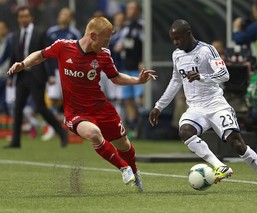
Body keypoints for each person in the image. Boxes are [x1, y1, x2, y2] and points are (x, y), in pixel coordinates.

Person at [7, 16, 156, 192]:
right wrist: (23, 64)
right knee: (93, 133)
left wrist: (137, 80)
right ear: (93, 36)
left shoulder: (103, 55)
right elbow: (40, 56)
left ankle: (135, 172)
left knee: (124, 145)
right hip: (76, 112)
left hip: (102, 109)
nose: (107, 45)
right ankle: (124, 168)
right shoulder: (63, 46)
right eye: (105, 40)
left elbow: (115, 78)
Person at [149, 19, 257, 192]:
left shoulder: (207, 50)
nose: (175, 42)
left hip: (216, 104)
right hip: (195, 108)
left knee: (237, 144)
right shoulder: (176, 54)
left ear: (188, 34)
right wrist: (158, 106)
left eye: (178, 38)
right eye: (173, 39)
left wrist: (202, 76)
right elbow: (175, 81)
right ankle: (219, 166)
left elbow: (224, 75)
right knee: (185, 131)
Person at [4, 6, 68, 148]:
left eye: (26, 16)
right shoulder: (15, 36)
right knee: (17, 108)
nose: (24, 19)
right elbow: (14, 57)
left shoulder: (40, 33)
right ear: (18, 19)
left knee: (41, 107)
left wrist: (51, 75)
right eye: (21, 17)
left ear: (31, 18)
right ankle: (16, 141)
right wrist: (10, 77)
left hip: (37, 76)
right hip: (21, 77)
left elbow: (49, 55)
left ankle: (61, 133)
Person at [42, 7, 82, 141]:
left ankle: (73, 128)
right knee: (52, 100)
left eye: (66, 14)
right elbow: (45, 54)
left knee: (70, 101)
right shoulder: (51, 32)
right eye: (61, 13)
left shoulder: (75, 34)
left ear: (71, 18)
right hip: (54, 71)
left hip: (69, 72)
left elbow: (79, 54)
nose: (62, 16)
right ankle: (53, 128)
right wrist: (49, 74)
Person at [114, 1, 144, 138]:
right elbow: (121, 43)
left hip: (138, 67)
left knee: (140, 98)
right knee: (128, 99)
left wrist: (143, 61)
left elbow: (145, 44)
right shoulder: (126, 27)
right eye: (128, 8)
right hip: (126, 67)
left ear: (138, 11)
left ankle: (145, 126)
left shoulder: (142, 25)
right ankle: (133, 128)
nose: (129, 11)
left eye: (132, 8)